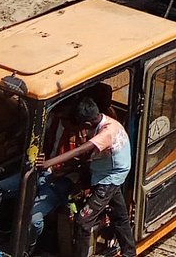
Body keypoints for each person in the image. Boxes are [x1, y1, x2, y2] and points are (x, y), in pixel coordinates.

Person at [40, 97, 136, 257]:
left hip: (109, 179)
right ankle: (129, 252)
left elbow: (80, 150)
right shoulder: (106, 121)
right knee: (119, 215)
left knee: (83, 221)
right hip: (106, 172)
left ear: (86, 124)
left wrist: (47, 163)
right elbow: (87, 157)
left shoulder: (107, 132)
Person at [0, 104, 83, 251]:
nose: (62, 120)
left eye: (65, 118)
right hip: (39, 172)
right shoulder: (52, 122)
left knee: (33, 220)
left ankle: (26, 249)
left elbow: (82, 165)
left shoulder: (85, 135)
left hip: (60, 181)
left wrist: (60, 169)